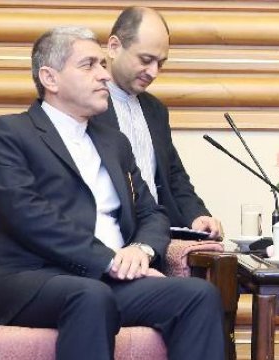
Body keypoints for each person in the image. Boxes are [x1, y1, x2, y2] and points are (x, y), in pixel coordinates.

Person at [0, 26, 226, 359]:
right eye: (89, 65)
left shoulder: (113, 142)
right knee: (91, 295)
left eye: (103, 65)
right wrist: (109, 260)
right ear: (50, 78)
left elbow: (152, 212)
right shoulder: (6, 133)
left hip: (111, 281)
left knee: (199, 294)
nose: (104, 75)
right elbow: (28, 216)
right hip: (35, 281)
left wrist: (141, 249)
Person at [93, 6, 224, 239]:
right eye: (146, 60)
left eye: (160, 63)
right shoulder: (87, 106)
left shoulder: (156, 110)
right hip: (110, 235)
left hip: (160, 232)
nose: (153, 72)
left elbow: (174, 177)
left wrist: (197, 216)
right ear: (114, 47)